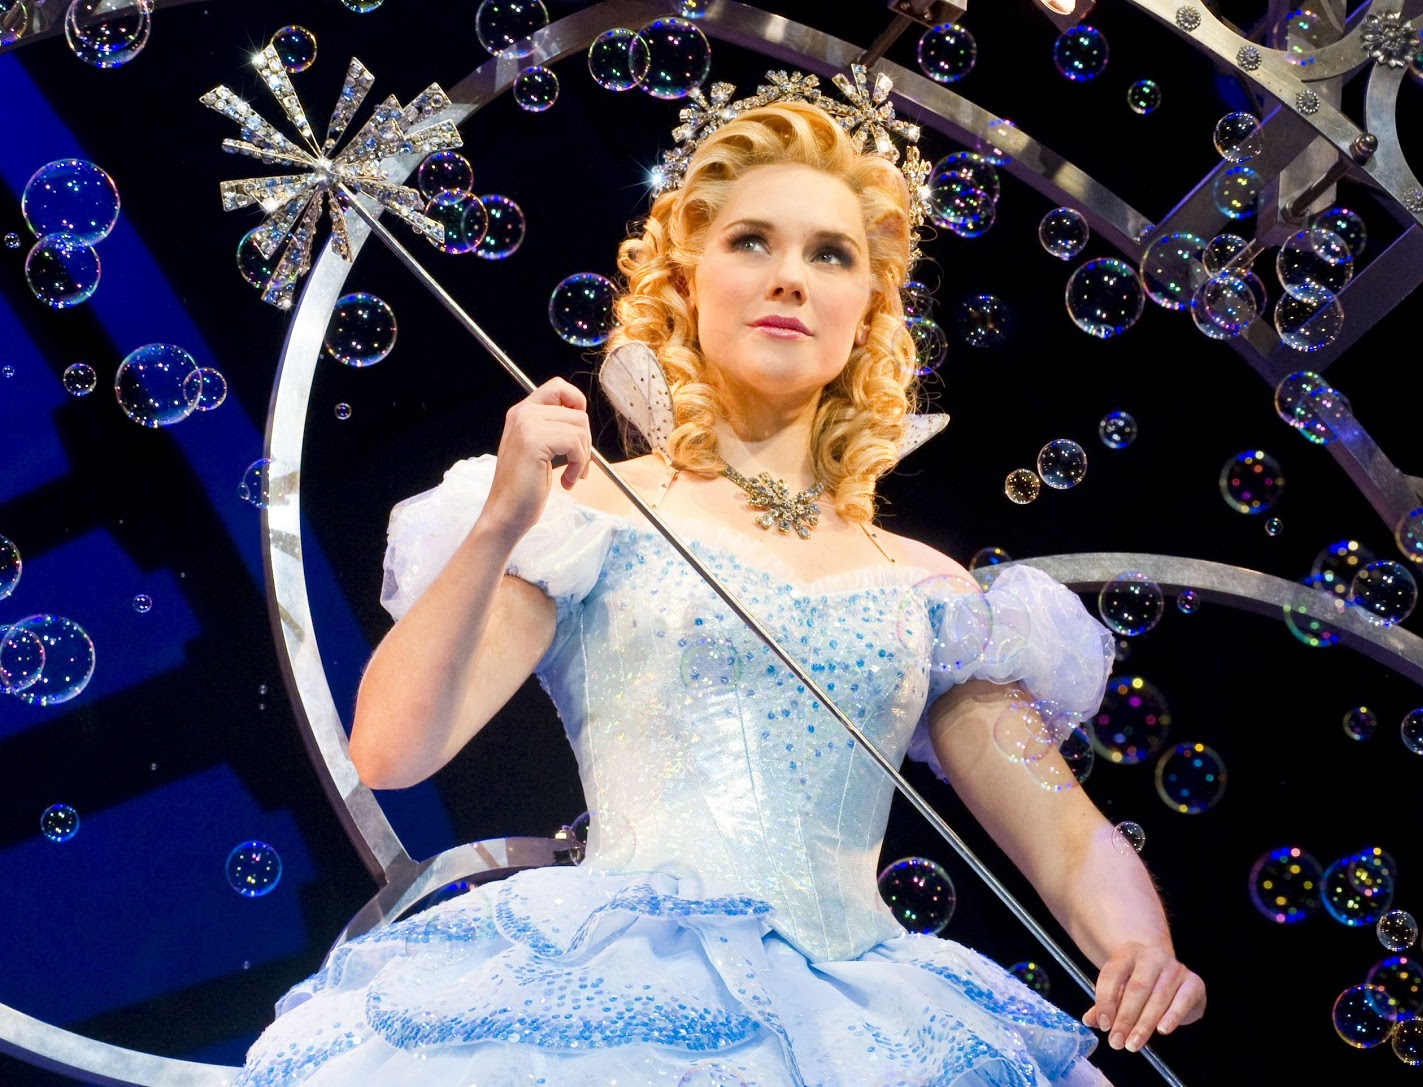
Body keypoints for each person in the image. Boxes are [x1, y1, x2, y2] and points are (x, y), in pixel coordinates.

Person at [235, 95, 1204, 1087]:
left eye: (831, 253)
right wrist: (498, 524)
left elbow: (1064, 837)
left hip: (867, 1029)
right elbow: (392, 749)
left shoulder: (930, 590)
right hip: (624, 1001)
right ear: (685, 279)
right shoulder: (590, 514)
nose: (790, 276)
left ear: (869, 309)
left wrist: (1140, 946)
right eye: (751, 241)